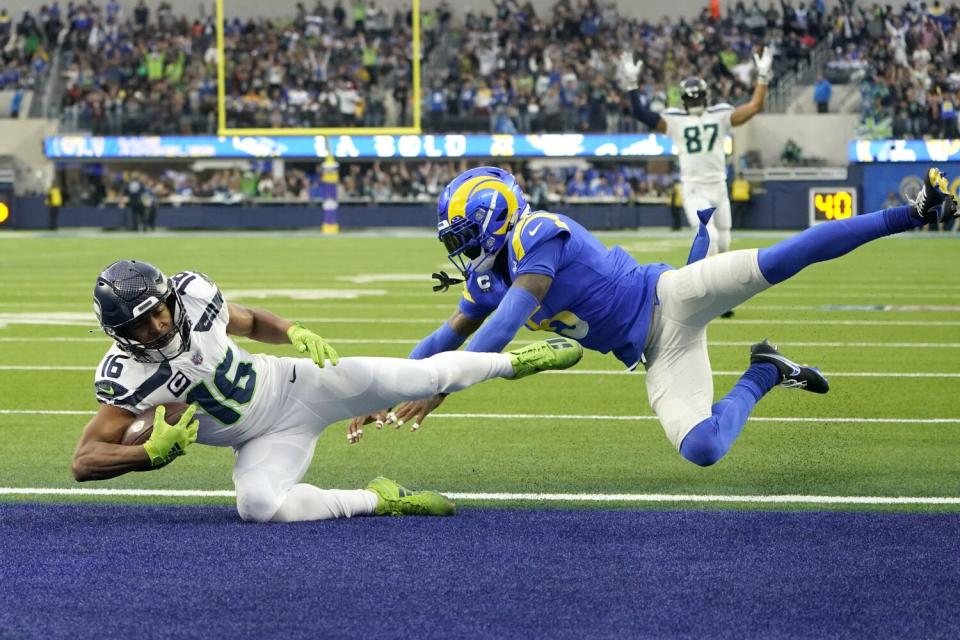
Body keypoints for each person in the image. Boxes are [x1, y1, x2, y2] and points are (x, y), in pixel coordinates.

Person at [348, 166, 956, 467]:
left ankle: (912, 212)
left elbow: (502, 329)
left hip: (669, 296)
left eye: (464, 234)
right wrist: (385, 386)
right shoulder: (488, 271)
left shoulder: (539, 232)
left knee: (782, 258)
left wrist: (441, 386)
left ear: (494, 218)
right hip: (655, 351)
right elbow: (443, 335)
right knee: (703, 448)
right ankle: (765, 372)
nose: (459, 249)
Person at [71, 260, 582, 523]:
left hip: (298, 386)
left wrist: (293, 331)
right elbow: (84, 460)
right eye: (139, 325)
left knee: (419, 377)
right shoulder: (127, 376)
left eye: (159, 310)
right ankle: (378, 499)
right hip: (259, 440)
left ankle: (510, 362)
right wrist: (146, 455)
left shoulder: (195, 296)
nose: (157, 325)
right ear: (120, 334)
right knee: (258, 507)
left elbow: (247, 321)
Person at [617, 47, 773, 257]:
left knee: (724, 242)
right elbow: (755, 106)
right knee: (711, 238)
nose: (696, 102)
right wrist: (762, 77)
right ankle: (704, 285)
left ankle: (717, 286)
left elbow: (640, 112)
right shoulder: (682, 120)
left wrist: (632, 84)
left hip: (718, 184)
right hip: (694, 187)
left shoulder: (712, 116)